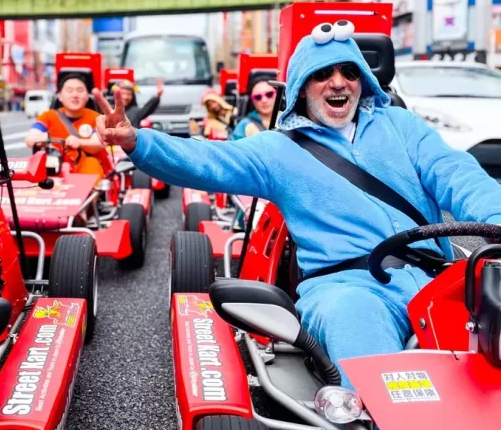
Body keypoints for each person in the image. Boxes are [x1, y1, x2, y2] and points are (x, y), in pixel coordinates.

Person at [93, 23, 501, 390]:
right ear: (303, 85)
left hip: (439, 279)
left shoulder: (403, 126)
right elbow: (206, 161)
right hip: (347, 288)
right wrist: (136, 141)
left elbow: (457, 174)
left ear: (363, 82)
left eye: (349, 72)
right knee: (360, 330)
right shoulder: (276, 150)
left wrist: (496, 221)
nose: (338, 83)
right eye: (323, 74)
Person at [25, 73, 106, 181]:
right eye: (69, 90)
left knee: (92, 167)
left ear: (87, 97)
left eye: (80, 90)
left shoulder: (97, 118)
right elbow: (30, 139)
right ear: (60, 97)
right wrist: (45, 139)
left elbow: (99, 143)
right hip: (55, 163)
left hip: (87, 164)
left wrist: (79, 142)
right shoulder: (47, 116)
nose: (75, 95)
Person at [231, 76, 279, 141]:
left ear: (277, 94)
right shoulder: (244, 126)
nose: (264, 100)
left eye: (269, 94)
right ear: (252, 101)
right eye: (258, 97)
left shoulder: (288, 119)